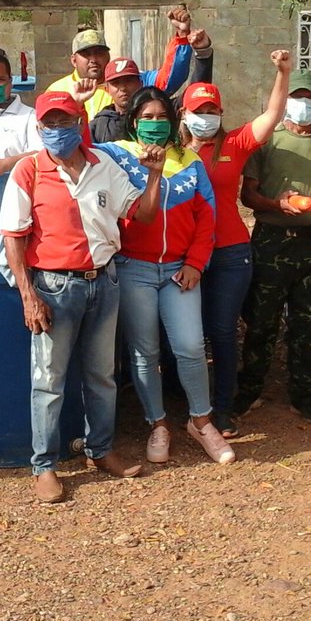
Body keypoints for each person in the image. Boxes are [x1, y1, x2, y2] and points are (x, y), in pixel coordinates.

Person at [0, 91, 160, 504]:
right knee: (49, 381)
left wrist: (155, 176)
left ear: (80, 123)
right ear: (39, 127)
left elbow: (140, 213)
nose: (57, 131)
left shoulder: (102, 165)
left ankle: (101, 449)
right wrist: (28, 297)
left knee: (102, 376)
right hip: (54, 287)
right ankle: (44, 466)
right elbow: (13, 238)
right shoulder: (28, 170)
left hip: (103, 282)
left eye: (65, 122)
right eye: (49, 124)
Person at [96, 87, 232, 465]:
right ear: (134, 121)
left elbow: (208, 218)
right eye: (147, 118)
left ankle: (201, 421)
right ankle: (157, 424)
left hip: (179, 270)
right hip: (133, 267)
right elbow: (68, 156)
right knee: (145, 353)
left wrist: (196, 263)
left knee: (190, 346)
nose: (155, 125)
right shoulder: (115, 155)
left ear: (173, 121)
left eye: (161, 118)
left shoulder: (189, 160)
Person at [177, 49, 290, 437]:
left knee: (223, 332)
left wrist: (282, 73)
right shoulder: (171, 152)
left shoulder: (234, 145)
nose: (205, 117)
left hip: (229, 252)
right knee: (187, 336)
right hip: (183, 255)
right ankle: (191, 406)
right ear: (184, 115)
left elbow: (272, 116)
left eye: (212, 110)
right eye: (199, 110)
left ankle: (221, 409)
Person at [234, 68, 311, 426]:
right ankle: (248, 391)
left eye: (310, 98)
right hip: (271, 240)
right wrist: (276, 204)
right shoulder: (267, 141)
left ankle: (305, 395)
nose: (303, 104)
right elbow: (248, 195)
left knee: (308, 325)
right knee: (261, 322)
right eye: (297, 97)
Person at [47, 8, 200, 121]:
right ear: (74, 60)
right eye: (86, 54)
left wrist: (182, 37)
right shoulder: (56, 90)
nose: (93, 59)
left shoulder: (134, 80)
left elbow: (168, 79)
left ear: (108, 55)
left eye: (99, 52)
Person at [90, 28, 214, 143]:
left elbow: (197, 93)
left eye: (129, 81)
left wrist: (203, 55)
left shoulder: (165, 110)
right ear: (107, 89)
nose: (123, 88)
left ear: (140, 82)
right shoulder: (100, 125)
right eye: (116, 83)